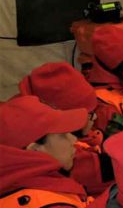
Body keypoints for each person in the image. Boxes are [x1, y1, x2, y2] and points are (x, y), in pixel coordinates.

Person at [18, 62, 113, 196]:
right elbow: (88, 169)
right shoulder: (45, 144)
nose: (95, 117)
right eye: (89, 114)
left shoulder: (31, 118)